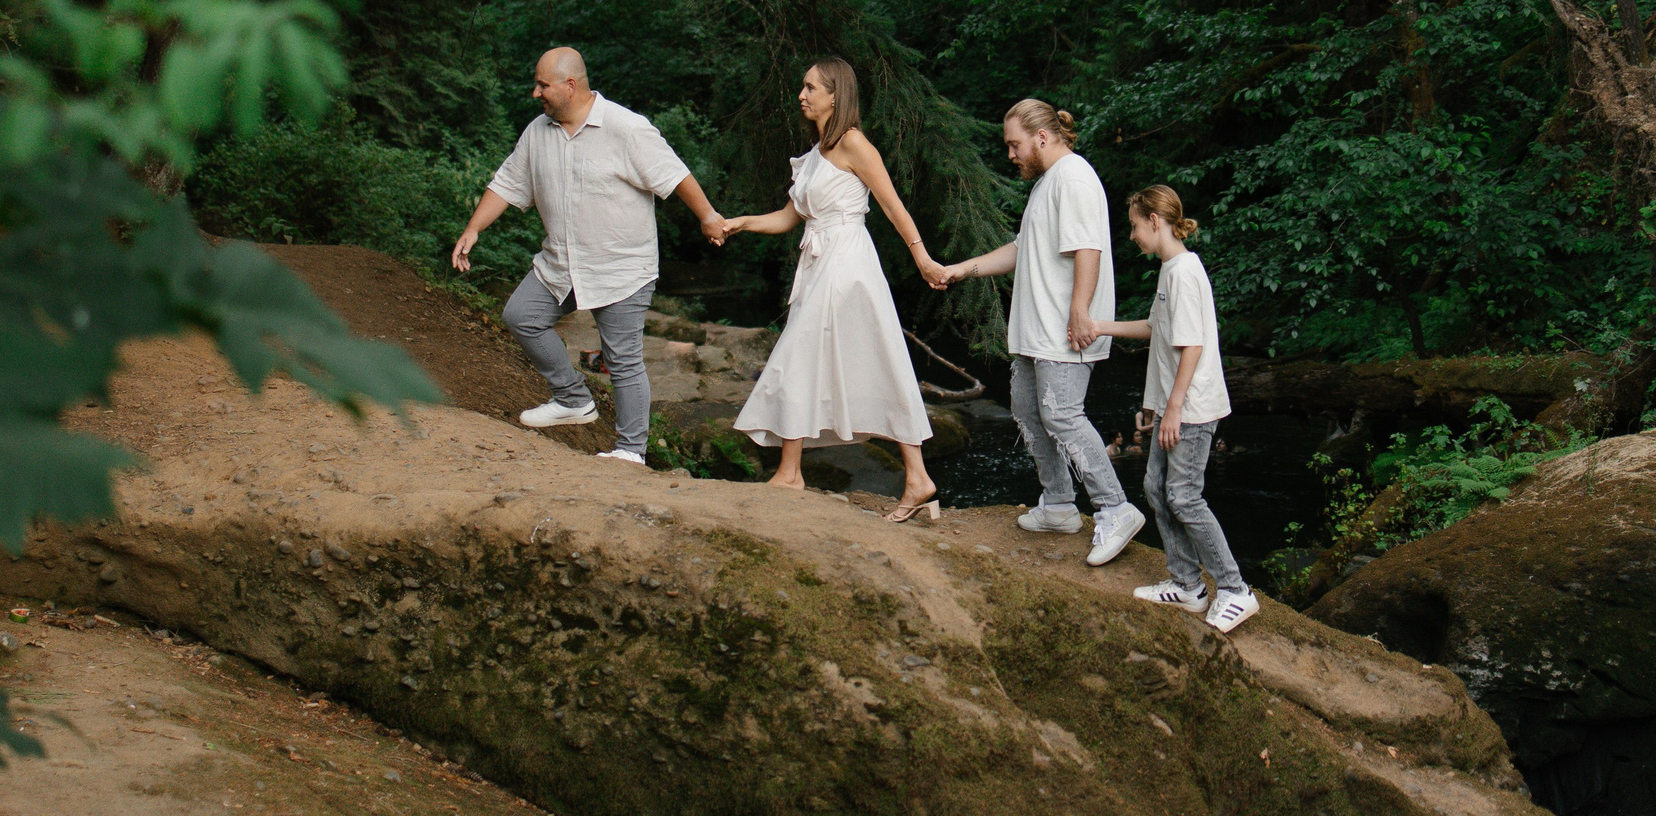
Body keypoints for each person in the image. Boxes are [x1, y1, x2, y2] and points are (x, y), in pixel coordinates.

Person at [451, 48, 725, 464]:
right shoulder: (537, 132)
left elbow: (675, 175)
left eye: (542, 85)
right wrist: (473, 228)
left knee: (622, 359)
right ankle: (572, 399)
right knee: (521, 316)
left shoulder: (626, 128)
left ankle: (631, 452)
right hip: (561, 264)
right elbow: (507, 183)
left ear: (570, 85)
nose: (535, 93)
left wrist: (707, 217)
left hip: (621, 267)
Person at [724, 59, 943, 523]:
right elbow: (789, 217)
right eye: (802, 86)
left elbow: (893, 206)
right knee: (849, 359)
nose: (801, 95)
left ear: (835, 95)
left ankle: (791, 473)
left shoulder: (853, 143)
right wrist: (742, 222)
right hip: (818, 261)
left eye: (810, 87)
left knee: (802, 354)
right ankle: (915, 477)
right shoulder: (816, 153)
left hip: (847, 262)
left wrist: (922, 258)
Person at [928, 99, 1145, 566]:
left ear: (1041, 137)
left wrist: (1080, 313)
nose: (1010, 154)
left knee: (1063, 415)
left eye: (1015, 145)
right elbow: (1020, 249)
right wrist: (961, 269)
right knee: (1028, 410)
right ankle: (1060, 505)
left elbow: (1088, 250)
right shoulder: (1048, 183)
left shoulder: (1074, 178)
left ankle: (1115, 508)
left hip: (1065, 330)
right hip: (1037, 331)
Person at [1092, 185, 1255, 633]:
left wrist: (1174, 409)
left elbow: (1192, 346)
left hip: (1194, 407)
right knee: (1155, 487)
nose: (1131, 235)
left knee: (1183, 495)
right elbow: (1155, 328)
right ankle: (1187, 585)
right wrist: (1099, 327)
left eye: (1134, 226)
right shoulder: (1170, 270)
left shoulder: (1183, 272)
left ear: (1154, 221)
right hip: (1175, 404)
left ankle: (1235, 590)